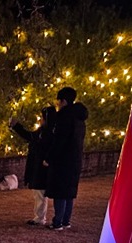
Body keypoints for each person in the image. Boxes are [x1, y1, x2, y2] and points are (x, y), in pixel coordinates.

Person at [44, 86, 89, 230]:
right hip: (75, 159)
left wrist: (49, 157)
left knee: (60, 192)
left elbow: (59, 141)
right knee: (69, 192)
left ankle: (57, 221)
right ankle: (65, 220)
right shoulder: (80, 120)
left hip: (63, 160)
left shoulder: (64, 118)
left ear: (63, 101)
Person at [9, 105, 57, 226]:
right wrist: (17, 126)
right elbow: (30, 136)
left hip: (41, 166)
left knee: (40, 193)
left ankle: (40, 218)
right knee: (39, 193)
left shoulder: (47, 132)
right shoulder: (45, 131)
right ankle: (40, 217)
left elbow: (31, 138)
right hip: (39, 165)